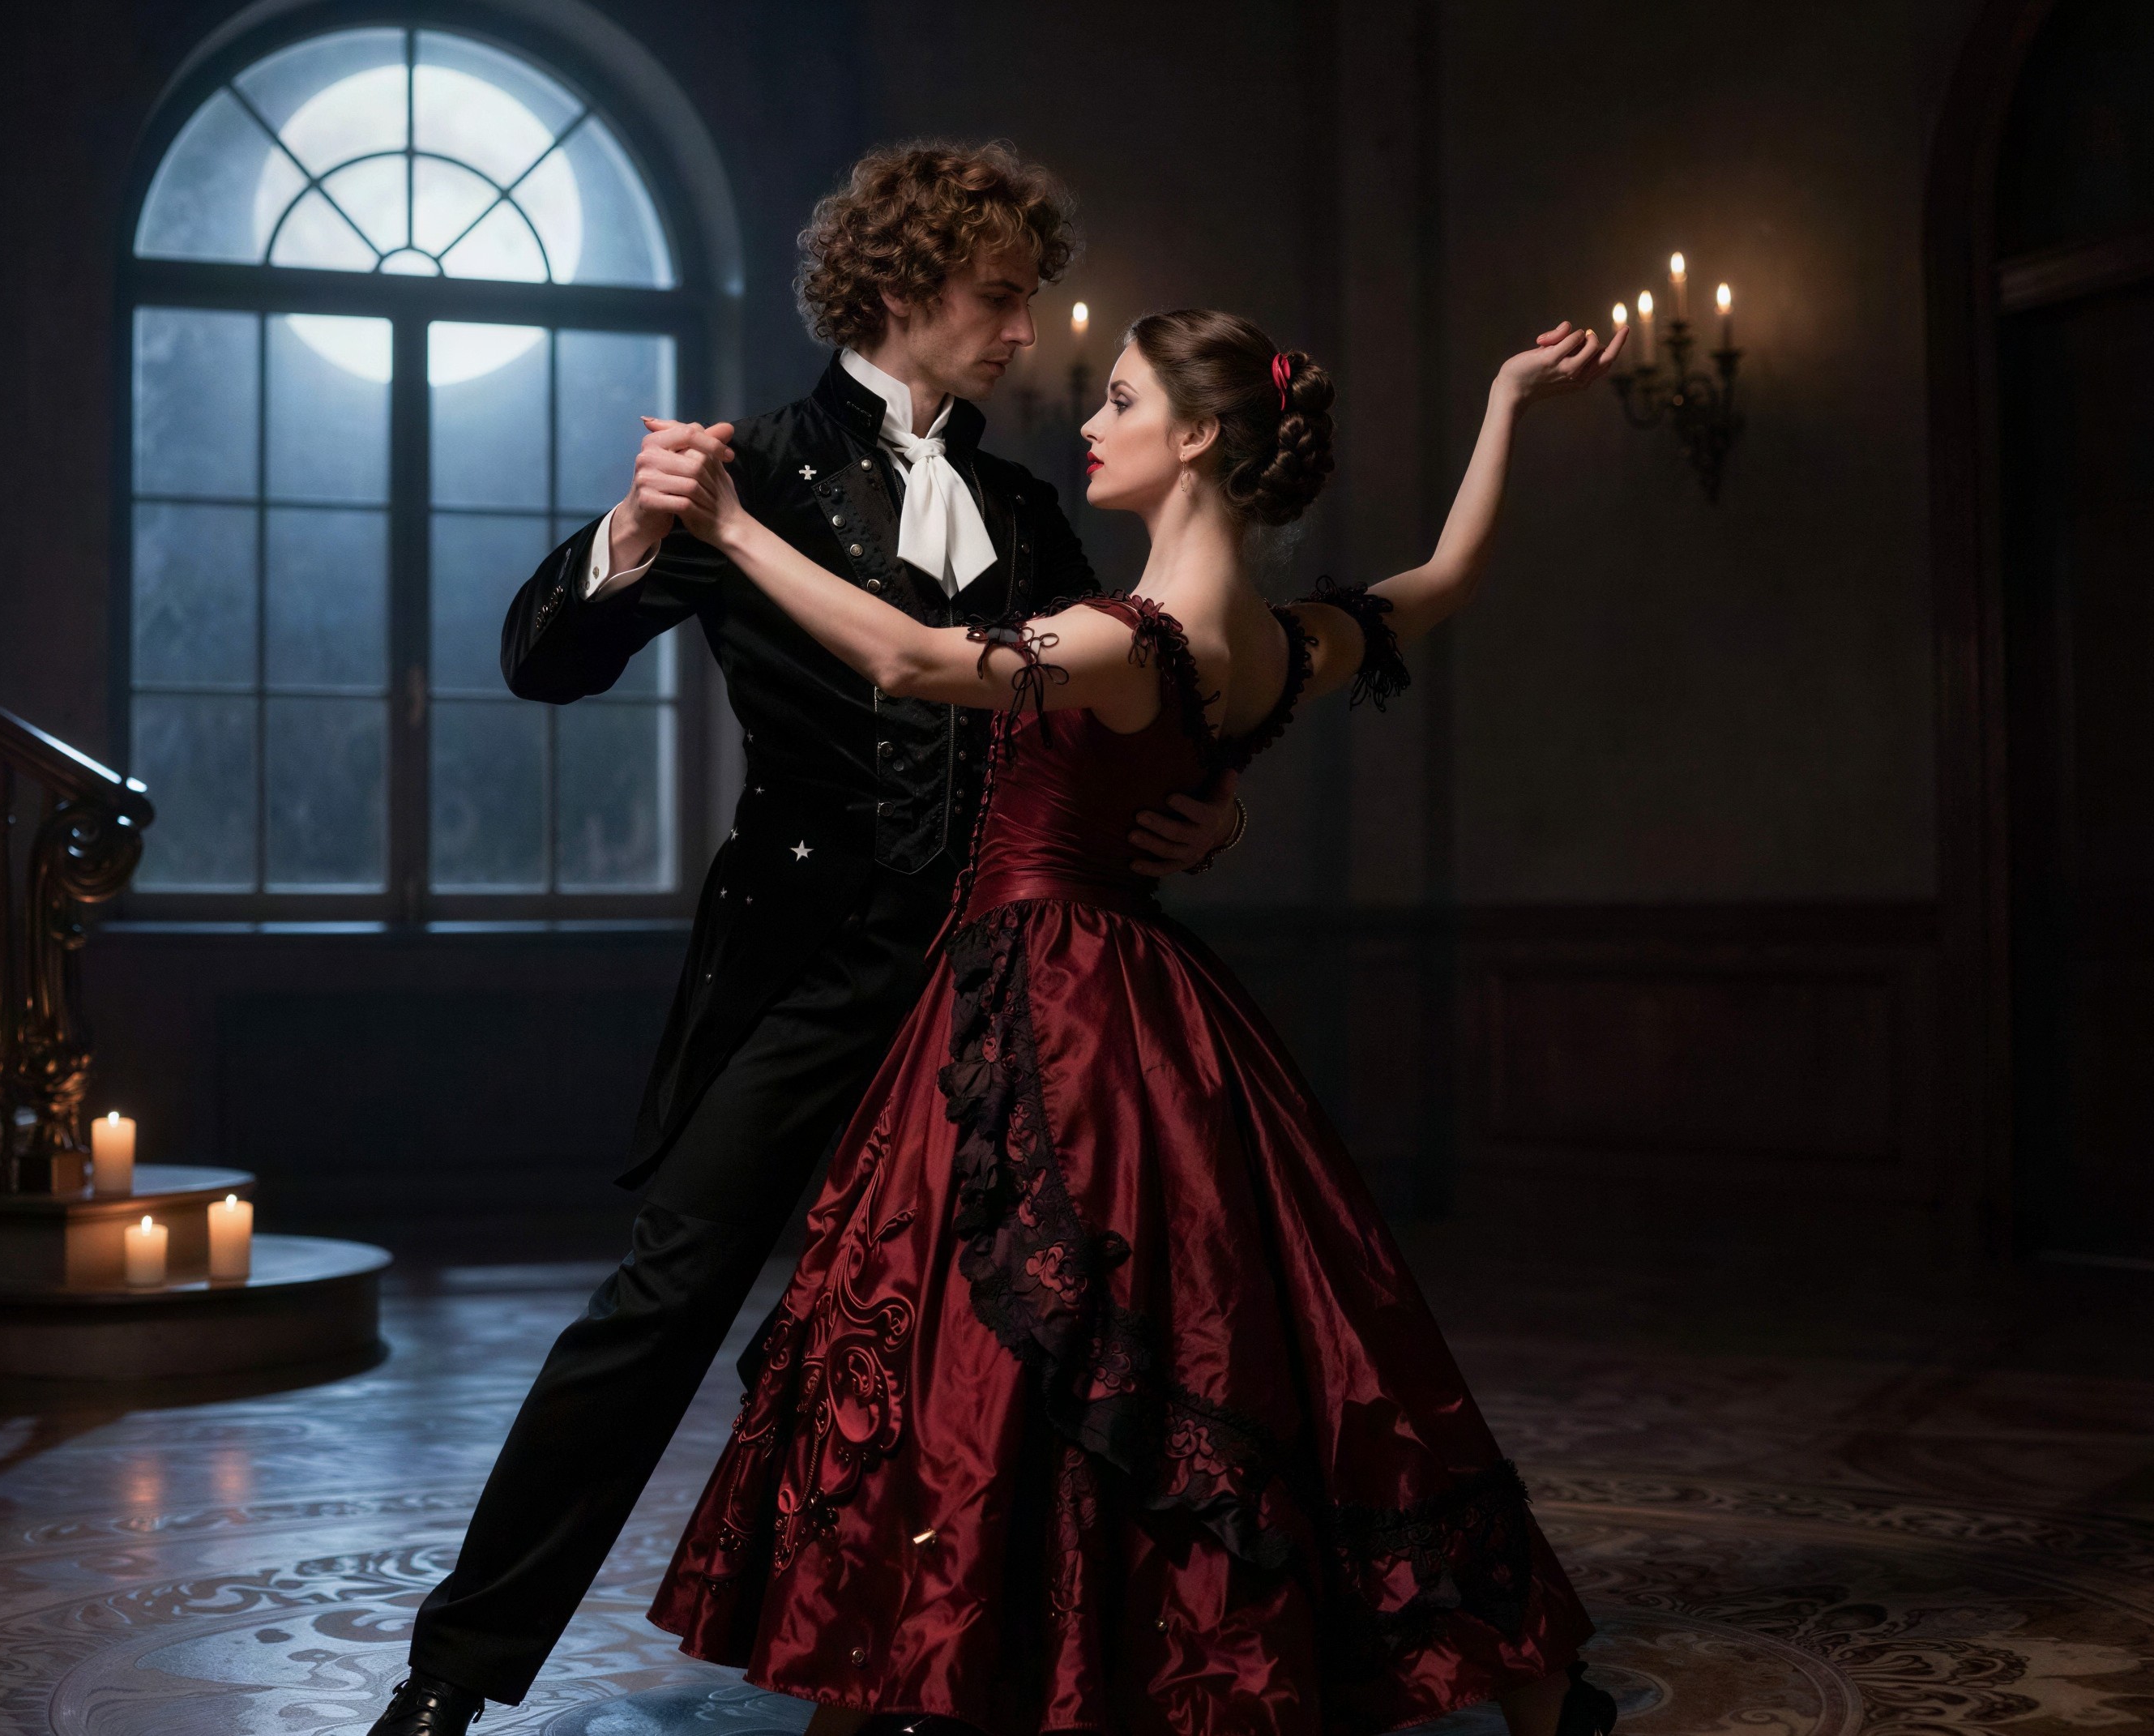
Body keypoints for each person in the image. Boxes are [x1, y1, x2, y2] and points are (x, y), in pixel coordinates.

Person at [632, 307, 1627, 1736]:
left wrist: (728, 526)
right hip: (1158, 1003)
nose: (1087, 423)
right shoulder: (1279, 643)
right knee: (1245, 1333)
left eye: (1118, 399)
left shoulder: (1118, 636)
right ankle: (1510, 1689)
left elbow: (913, 662)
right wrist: (1507, 397)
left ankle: (950, 1663)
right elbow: (1448, 576)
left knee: (990, 1336)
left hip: (1050, 1000)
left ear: (1201, 436)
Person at [370, 143, 1242, 1736]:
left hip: (1005, 979)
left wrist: (1205, 812)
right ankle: (451, 1676)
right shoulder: (740, 467)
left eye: (1029, 301)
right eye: (997, 298)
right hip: (809, 969)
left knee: (970, 1326)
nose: (1023, 333)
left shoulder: (1031, 508)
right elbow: (540, 659)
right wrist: (635, 535)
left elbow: (1106, 709)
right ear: (903, 290)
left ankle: (923, 1664)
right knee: (659, 1310)